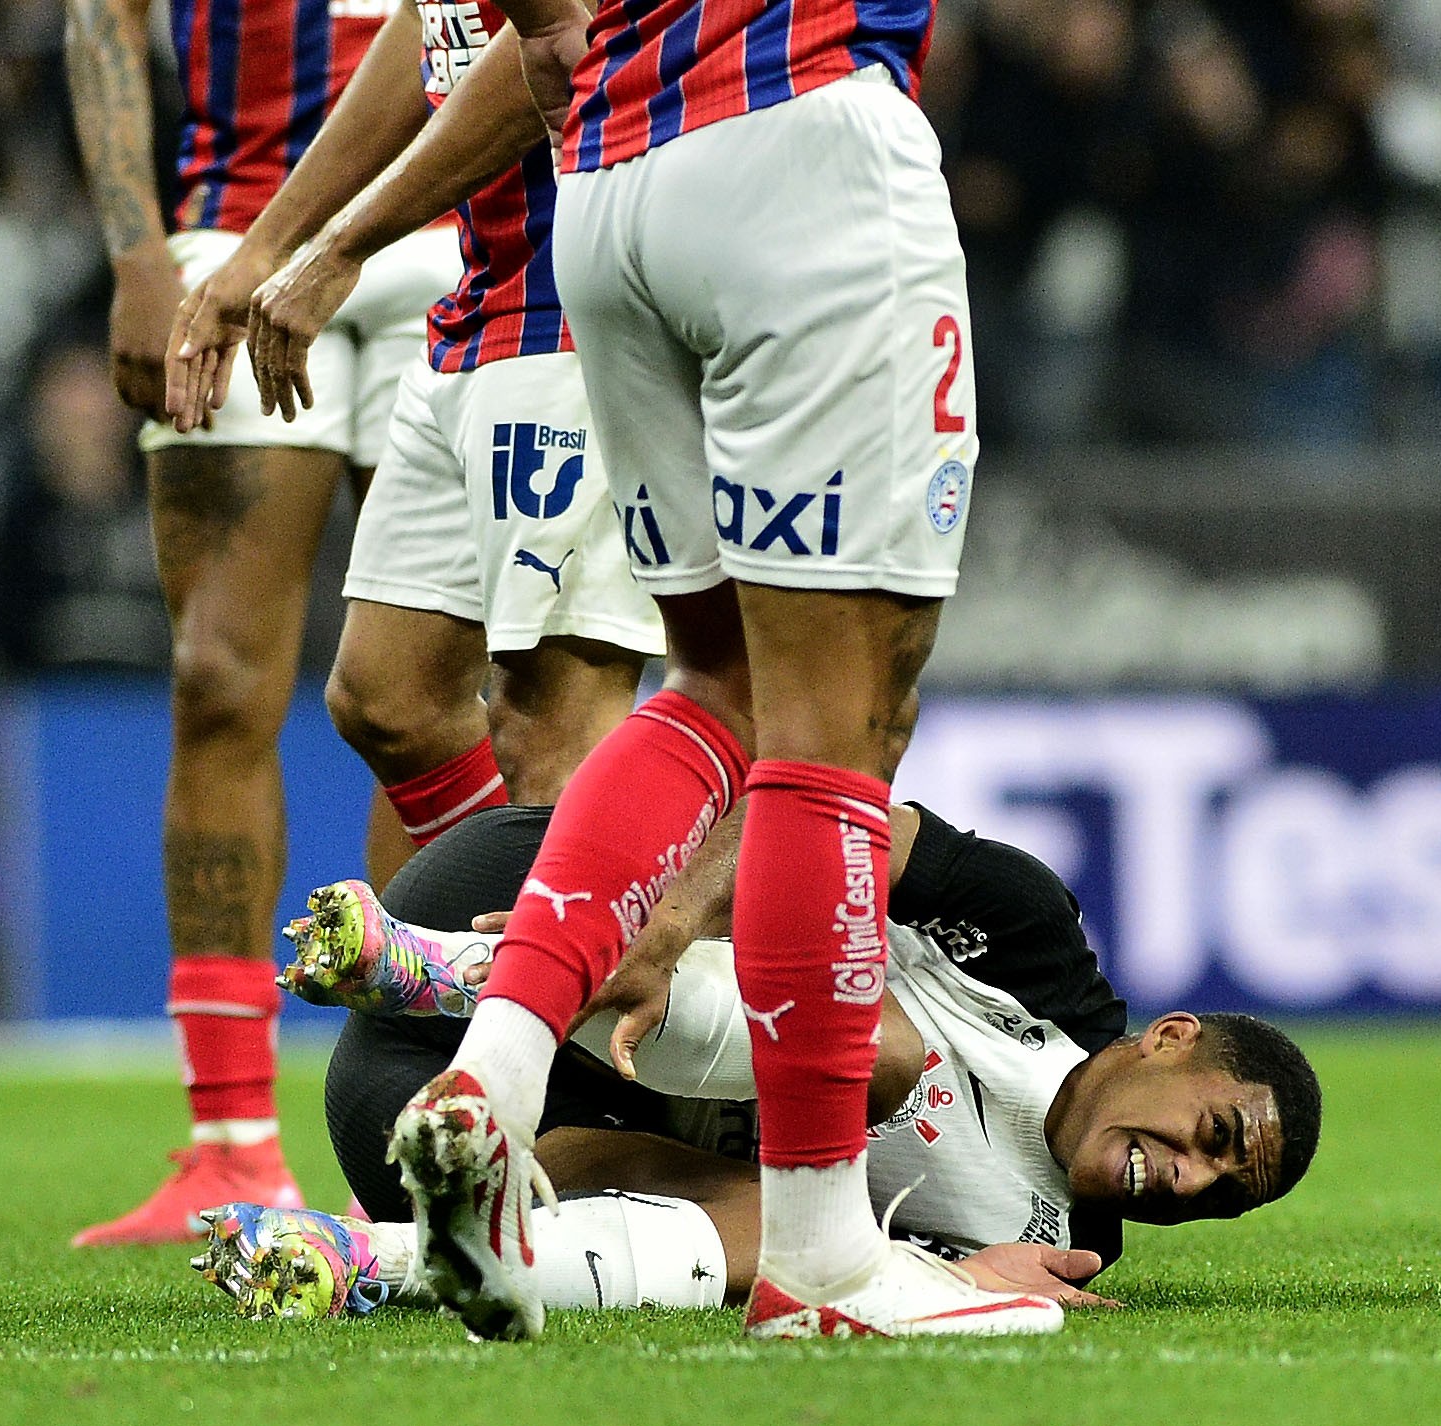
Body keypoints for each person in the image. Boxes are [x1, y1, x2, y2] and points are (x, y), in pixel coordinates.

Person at [384, 0, 997, 1341]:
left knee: (715, 684)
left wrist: (549, 25)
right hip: (804, 144)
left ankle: (491, 1077)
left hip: (604, 185)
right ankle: (826, 1257)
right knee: (842, 722)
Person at [191, 800, 1322, 1322]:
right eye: (1215, 1136)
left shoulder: (1057, 1252)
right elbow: (803, 815)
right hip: (553, 913)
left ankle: (373, 1261)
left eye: (1220, 1193)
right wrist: (667, 921)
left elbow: (816, 1274)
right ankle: (437, 970)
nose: (1186, 1176)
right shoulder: (1023, 931)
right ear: (1170, 1039)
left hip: (447, 1135)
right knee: (876, 1052)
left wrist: (952, 1287)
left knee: (794, 1229)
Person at [64, 0, 461, 1245]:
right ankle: (228, 1140)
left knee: (424, 700)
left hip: (446, 224)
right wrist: (139, 257)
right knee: (216, 676)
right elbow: (102, 21)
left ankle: (399, 1130)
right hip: (228, 229)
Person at [162, 3, 664, 889]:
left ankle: (606, 977)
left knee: (549, 722)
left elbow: (556, 47)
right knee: (384, 697)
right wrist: (268, 245)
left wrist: (339, 247)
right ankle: (577, 934)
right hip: (481, 295)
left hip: (575, 294)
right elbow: (434, 31)